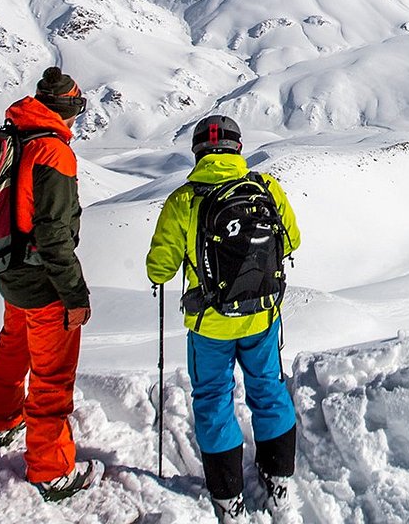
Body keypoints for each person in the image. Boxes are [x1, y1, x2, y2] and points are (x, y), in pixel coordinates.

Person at [146, 114, 301, 523]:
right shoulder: (266, 188)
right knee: (268, 388)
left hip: (209, 324)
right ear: (238, 147)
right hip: (262, 316)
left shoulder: (184, 200)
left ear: (197, 151)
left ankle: (228, 496)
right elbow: (293, 239)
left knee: (214, 399)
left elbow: (159, 269)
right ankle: (279, 476)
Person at [0, 65, 102, 502]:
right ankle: (51, 470)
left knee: (13, 346)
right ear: (69, 111)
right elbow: (53, 232)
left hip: (10, 270)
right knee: (52, 376)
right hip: (45, 280)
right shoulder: (53, 152)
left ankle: (0, 418)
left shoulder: (16, 135)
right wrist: (74, 293)